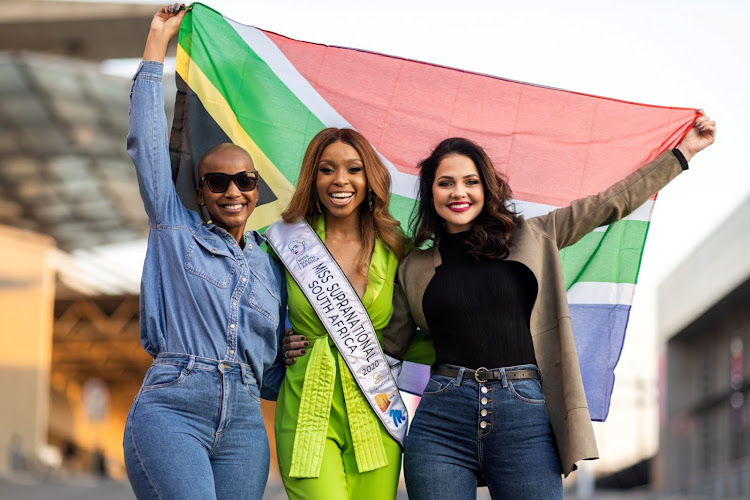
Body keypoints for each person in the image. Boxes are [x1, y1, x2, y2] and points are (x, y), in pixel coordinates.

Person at [381, 113, 716, 499]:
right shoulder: (414, 267)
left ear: (486, 188)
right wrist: (299, 341)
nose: (459, 192)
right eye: (446, 183)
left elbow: (611, 203)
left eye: (471, 182)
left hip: (523, 418)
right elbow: (385, 350)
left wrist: (683, 152)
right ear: (431, 193)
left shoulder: (533, 235)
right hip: (441, 422)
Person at [123, 5, 287, 500]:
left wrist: (289, 354)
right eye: (217, 181)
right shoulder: (175, 230)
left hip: (244, 425)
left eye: (245, 181)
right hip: (173, 408)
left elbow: (271, 374)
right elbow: (147, 143)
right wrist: (158, 42)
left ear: (257, 191)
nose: (232, 190)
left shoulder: (273, 266)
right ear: (199, 193)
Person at [268, 127, 408, 499]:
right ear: (312, 179)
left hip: (376, 410)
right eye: (327, 169)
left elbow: (420, 327)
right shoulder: (285, 243)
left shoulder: (397, 249)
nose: (340, 180)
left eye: (354, 169)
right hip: (306, 408)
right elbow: (250, 309)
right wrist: (273, 344)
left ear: (370, 179)